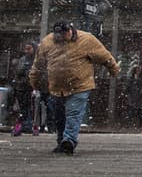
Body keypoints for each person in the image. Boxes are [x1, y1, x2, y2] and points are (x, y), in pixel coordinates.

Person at [30, 21, 120, 156]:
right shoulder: (47, 43)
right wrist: (34, 81)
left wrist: (113, 69)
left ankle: (69, 140)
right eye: (58, 35)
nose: (61, 38)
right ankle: (62, 140)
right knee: (59, 117)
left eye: (64, 34)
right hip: (56, 88)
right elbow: (38, 65)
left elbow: (104, 56)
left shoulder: (87, 40)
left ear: (70, 31)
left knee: (73, 114)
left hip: (80, 86)